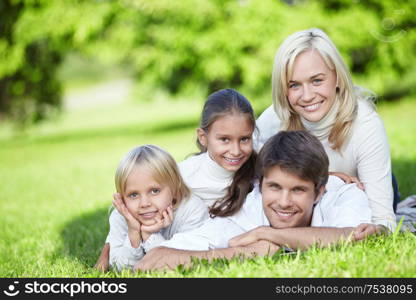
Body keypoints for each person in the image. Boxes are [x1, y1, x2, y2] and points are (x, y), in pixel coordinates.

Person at [133, 131, 373, 271]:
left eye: (298, 190)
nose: (284, 202)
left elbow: (353, 237)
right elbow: (155, 259)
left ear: (320, 192)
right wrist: (246, 252)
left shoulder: (344, 194)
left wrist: (267, 234)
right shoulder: (250, 207)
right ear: (261, 185)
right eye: (274, 187)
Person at [255, 28, 396, 238]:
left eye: (317, 81)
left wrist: (378, 229)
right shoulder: (273, 120)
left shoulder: (365, 124)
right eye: (294, 85)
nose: (307, 95)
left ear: (337, 77)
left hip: (360, 196)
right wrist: (326, 177)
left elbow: (384, 221)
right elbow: (249, 182)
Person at [95, 88, 258, 271]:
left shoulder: (259, 178)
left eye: (244, 139)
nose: (235, 151)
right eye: (225, 140)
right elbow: (126, 209)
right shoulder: (183, 174)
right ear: (203, 138)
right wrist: (105, 255)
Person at [104, 145, 208, 271]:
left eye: (154, 191)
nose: (144, 203)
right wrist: (134, 233)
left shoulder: (191, 210)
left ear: (175, 189)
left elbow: (182, 262)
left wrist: (149, 234)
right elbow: (119, 268)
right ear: (122, 198)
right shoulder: (120, 216)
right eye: (133, 195)